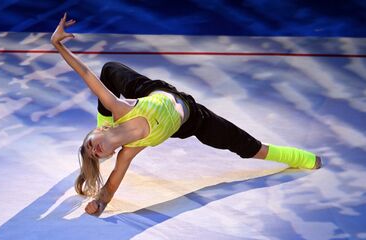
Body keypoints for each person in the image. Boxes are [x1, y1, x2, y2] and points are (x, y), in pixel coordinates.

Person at [50, 13, 321, 216]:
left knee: (108, 70)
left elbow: (86, 73)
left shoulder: (120, 109)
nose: (94, 150)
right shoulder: (128, 151)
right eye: (96, 154)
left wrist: (58, 45)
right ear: (107, 155)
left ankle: (103, 115)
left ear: (101, 131)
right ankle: (297, 157)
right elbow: (111, 185)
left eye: (90, 143)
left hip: (151, 91)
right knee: (249, 148)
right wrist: (99, 202)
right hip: (193, 120)